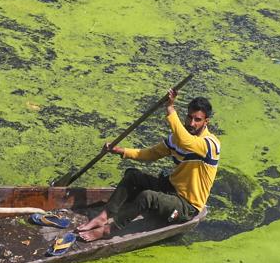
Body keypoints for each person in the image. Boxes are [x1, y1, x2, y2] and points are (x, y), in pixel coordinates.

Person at [75, 89, 218, 243]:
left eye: (197, 120)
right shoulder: (176, 139)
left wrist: (170, 108)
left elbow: (186, 142)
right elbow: (151, 153)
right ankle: (103, 216)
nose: (191, 123)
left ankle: (108, 230)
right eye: (189, 117)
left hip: (187, 204)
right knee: (132, 176)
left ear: (206, 121)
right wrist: (121, 151)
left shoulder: (209, 144)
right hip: (171, 188)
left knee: (147, 196)